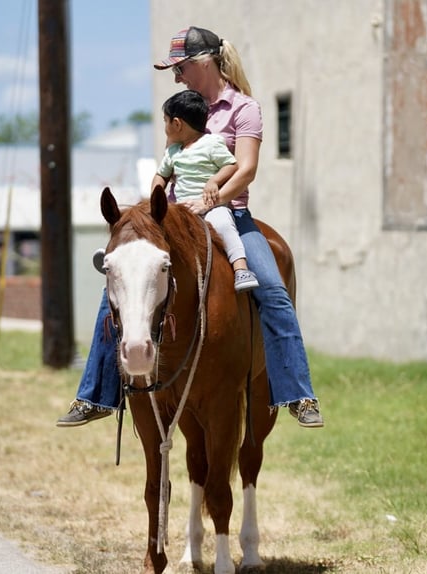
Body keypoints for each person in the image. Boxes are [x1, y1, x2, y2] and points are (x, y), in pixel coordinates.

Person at [57, 25, 323, 428]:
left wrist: (213, 195)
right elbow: (167, 168)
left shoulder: (243, 108)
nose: (176, 78)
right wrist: (154, 206)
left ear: (203, 63)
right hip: (176, 222)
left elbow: (246, 168)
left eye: (180, 69)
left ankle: (298, 394)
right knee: (116, 286)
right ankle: (96, 395)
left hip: (229, 215)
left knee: (272, 289)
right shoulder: (183, 106)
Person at [154, 89, 259, 292]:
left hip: (210, 206)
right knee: (153, 229)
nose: (165, 127)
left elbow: (231, 165)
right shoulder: (173, 152)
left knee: (224, 225)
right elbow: (161, 176)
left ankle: (241, 269)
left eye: (165, 121)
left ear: (177, 123)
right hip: (180, 208)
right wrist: (155, 198)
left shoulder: (212, 143)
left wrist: (214, 180)